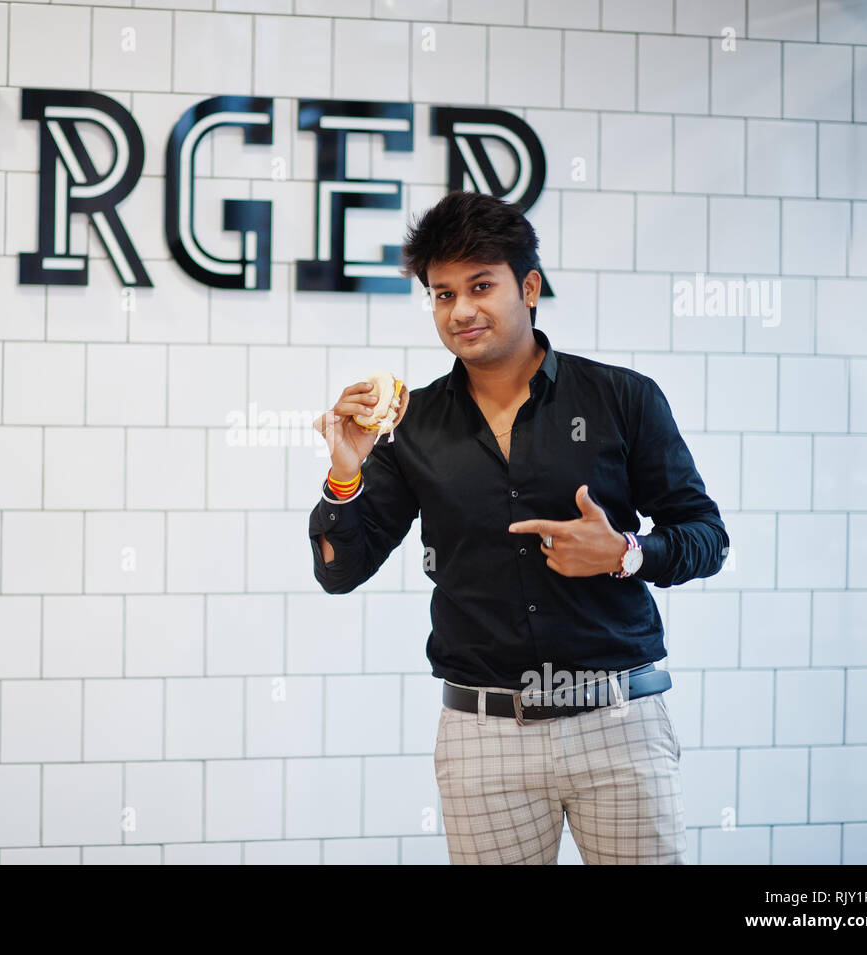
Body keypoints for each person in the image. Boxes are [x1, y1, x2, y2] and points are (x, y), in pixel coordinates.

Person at [308, 191, 729, 865]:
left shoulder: (623, 398)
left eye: (480, 286)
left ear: (528, 286)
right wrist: (346, 471)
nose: (461, 310)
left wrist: (625, 552)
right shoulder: (412, 424)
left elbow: (706, 538)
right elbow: (339, 568)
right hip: (484, 736)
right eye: (442, 295)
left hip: (619, 723)